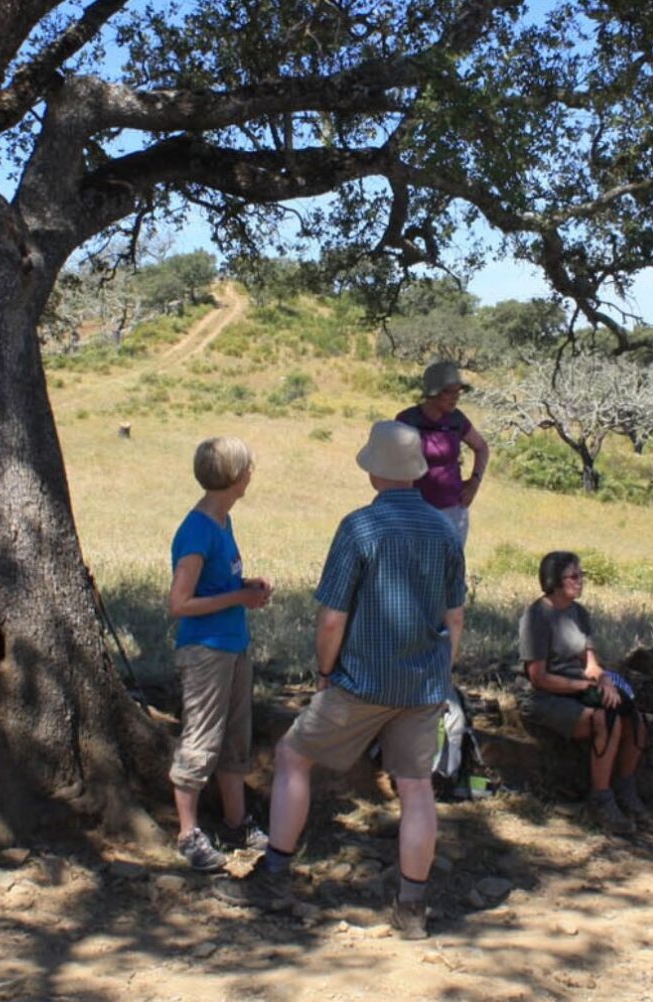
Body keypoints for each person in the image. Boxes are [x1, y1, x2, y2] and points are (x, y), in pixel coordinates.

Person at [219, 421, 466, 941]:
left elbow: (332, 617)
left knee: (293, 755)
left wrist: (326, 673)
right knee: (416, 787)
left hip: (362, 680)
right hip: (422, 685)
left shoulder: (360, 528)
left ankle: (276, 874)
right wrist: (440, 679)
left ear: (375, 472)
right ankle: (412, 907)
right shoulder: (444, 531)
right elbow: (455, 619)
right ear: (416, 473)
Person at [166, 436, 273, 871]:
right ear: (233, 476)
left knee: (234, 740)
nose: (251, 475)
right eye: (247, 468)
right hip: (206, 651)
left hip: (233, 646)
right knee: (202, 740)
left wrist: (246, 588)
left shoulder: (223, 522)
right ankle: (188, 834)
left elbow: (220, 586)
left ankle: (236, 822)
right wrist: (237, 600)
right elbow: (180, 603)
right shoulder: (197, 531)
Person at [519, 551, 648, 834]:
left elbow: (590, 664)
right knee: (605, 719)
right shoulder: (536, 616)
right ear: (554, 580)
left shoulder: (579, 613)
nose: (580, 581)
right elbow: (538, 677)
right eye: (573, 576)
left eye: (581, 575)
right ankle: (601, 800)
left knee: (633, 717)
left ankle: (625, 788)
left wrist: (604, 682)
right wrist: (585, 686)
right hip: (545, 697)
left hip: (578, 689)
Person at [395, 360, 489, 545]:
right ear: (433, 392)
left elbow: (482, 448)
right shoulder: (408, 420)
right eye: (449, 391)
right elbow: (393, 464)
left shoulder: (457, 420)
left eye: (458, 391)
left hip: (453, 511)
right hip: (414, 510)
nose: (456, 397)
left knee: (449, 569)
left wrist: (474, 483)